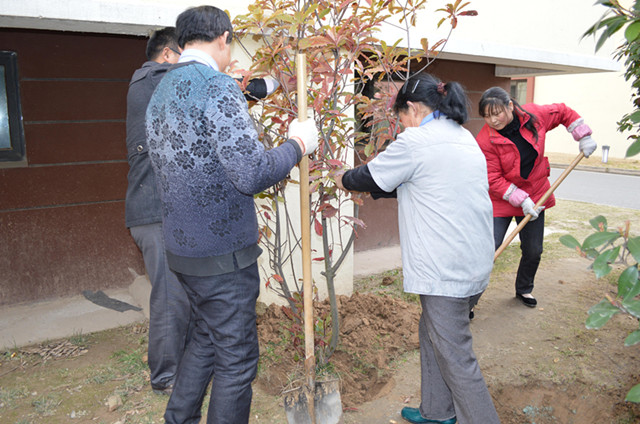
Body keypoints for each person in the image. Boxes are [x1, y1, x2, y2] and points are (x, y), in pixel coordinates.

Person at [145, 5, 318, 423]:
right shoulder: (217, 86)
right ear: (223, 39)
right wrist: (298, 145)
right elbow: (251, 172)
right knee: (237, 361)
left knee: (205, 339)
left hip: (183, 251)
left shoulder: (161, 89)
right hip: (222, 255)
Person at [335, 73, 499, 424]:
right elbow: (415, 183)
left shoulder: (417, 141)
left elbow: (370, 177)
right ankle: (438, 411)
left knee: (458, 358)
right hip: (474, 260)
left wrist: (342, 178)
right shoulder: (463, 137)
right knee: (432, 332)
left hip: (445, 270)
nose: (401, 126)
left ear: (412, 108)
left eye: (401, 118)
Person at [125, 27, 281, 396]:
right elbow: (214, 87)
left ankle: (189, 373)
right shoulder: (153, 80)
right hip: (155, 212)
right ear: (168, 55)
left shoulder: (168, 86)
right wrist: (260, 83)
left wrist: (267, 85)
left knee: (190, 301)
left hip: (168, 211)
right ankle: (166, 377)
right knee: (171, 298)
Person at [476, 87, 597, 308]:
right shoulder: (485, 140)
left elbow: (562, 112)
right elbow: (492, 177)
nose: (493, 120)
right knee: (489, 248)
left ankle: (524, 289)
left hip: (536, 196)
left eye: (497, 113)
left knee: (533, 250)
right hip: (501, 199)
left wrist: (583, 136)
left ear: (510, 106)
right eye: (486, 116)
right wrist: (520, 199)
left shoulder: (534, 116)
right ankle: (468, 301)